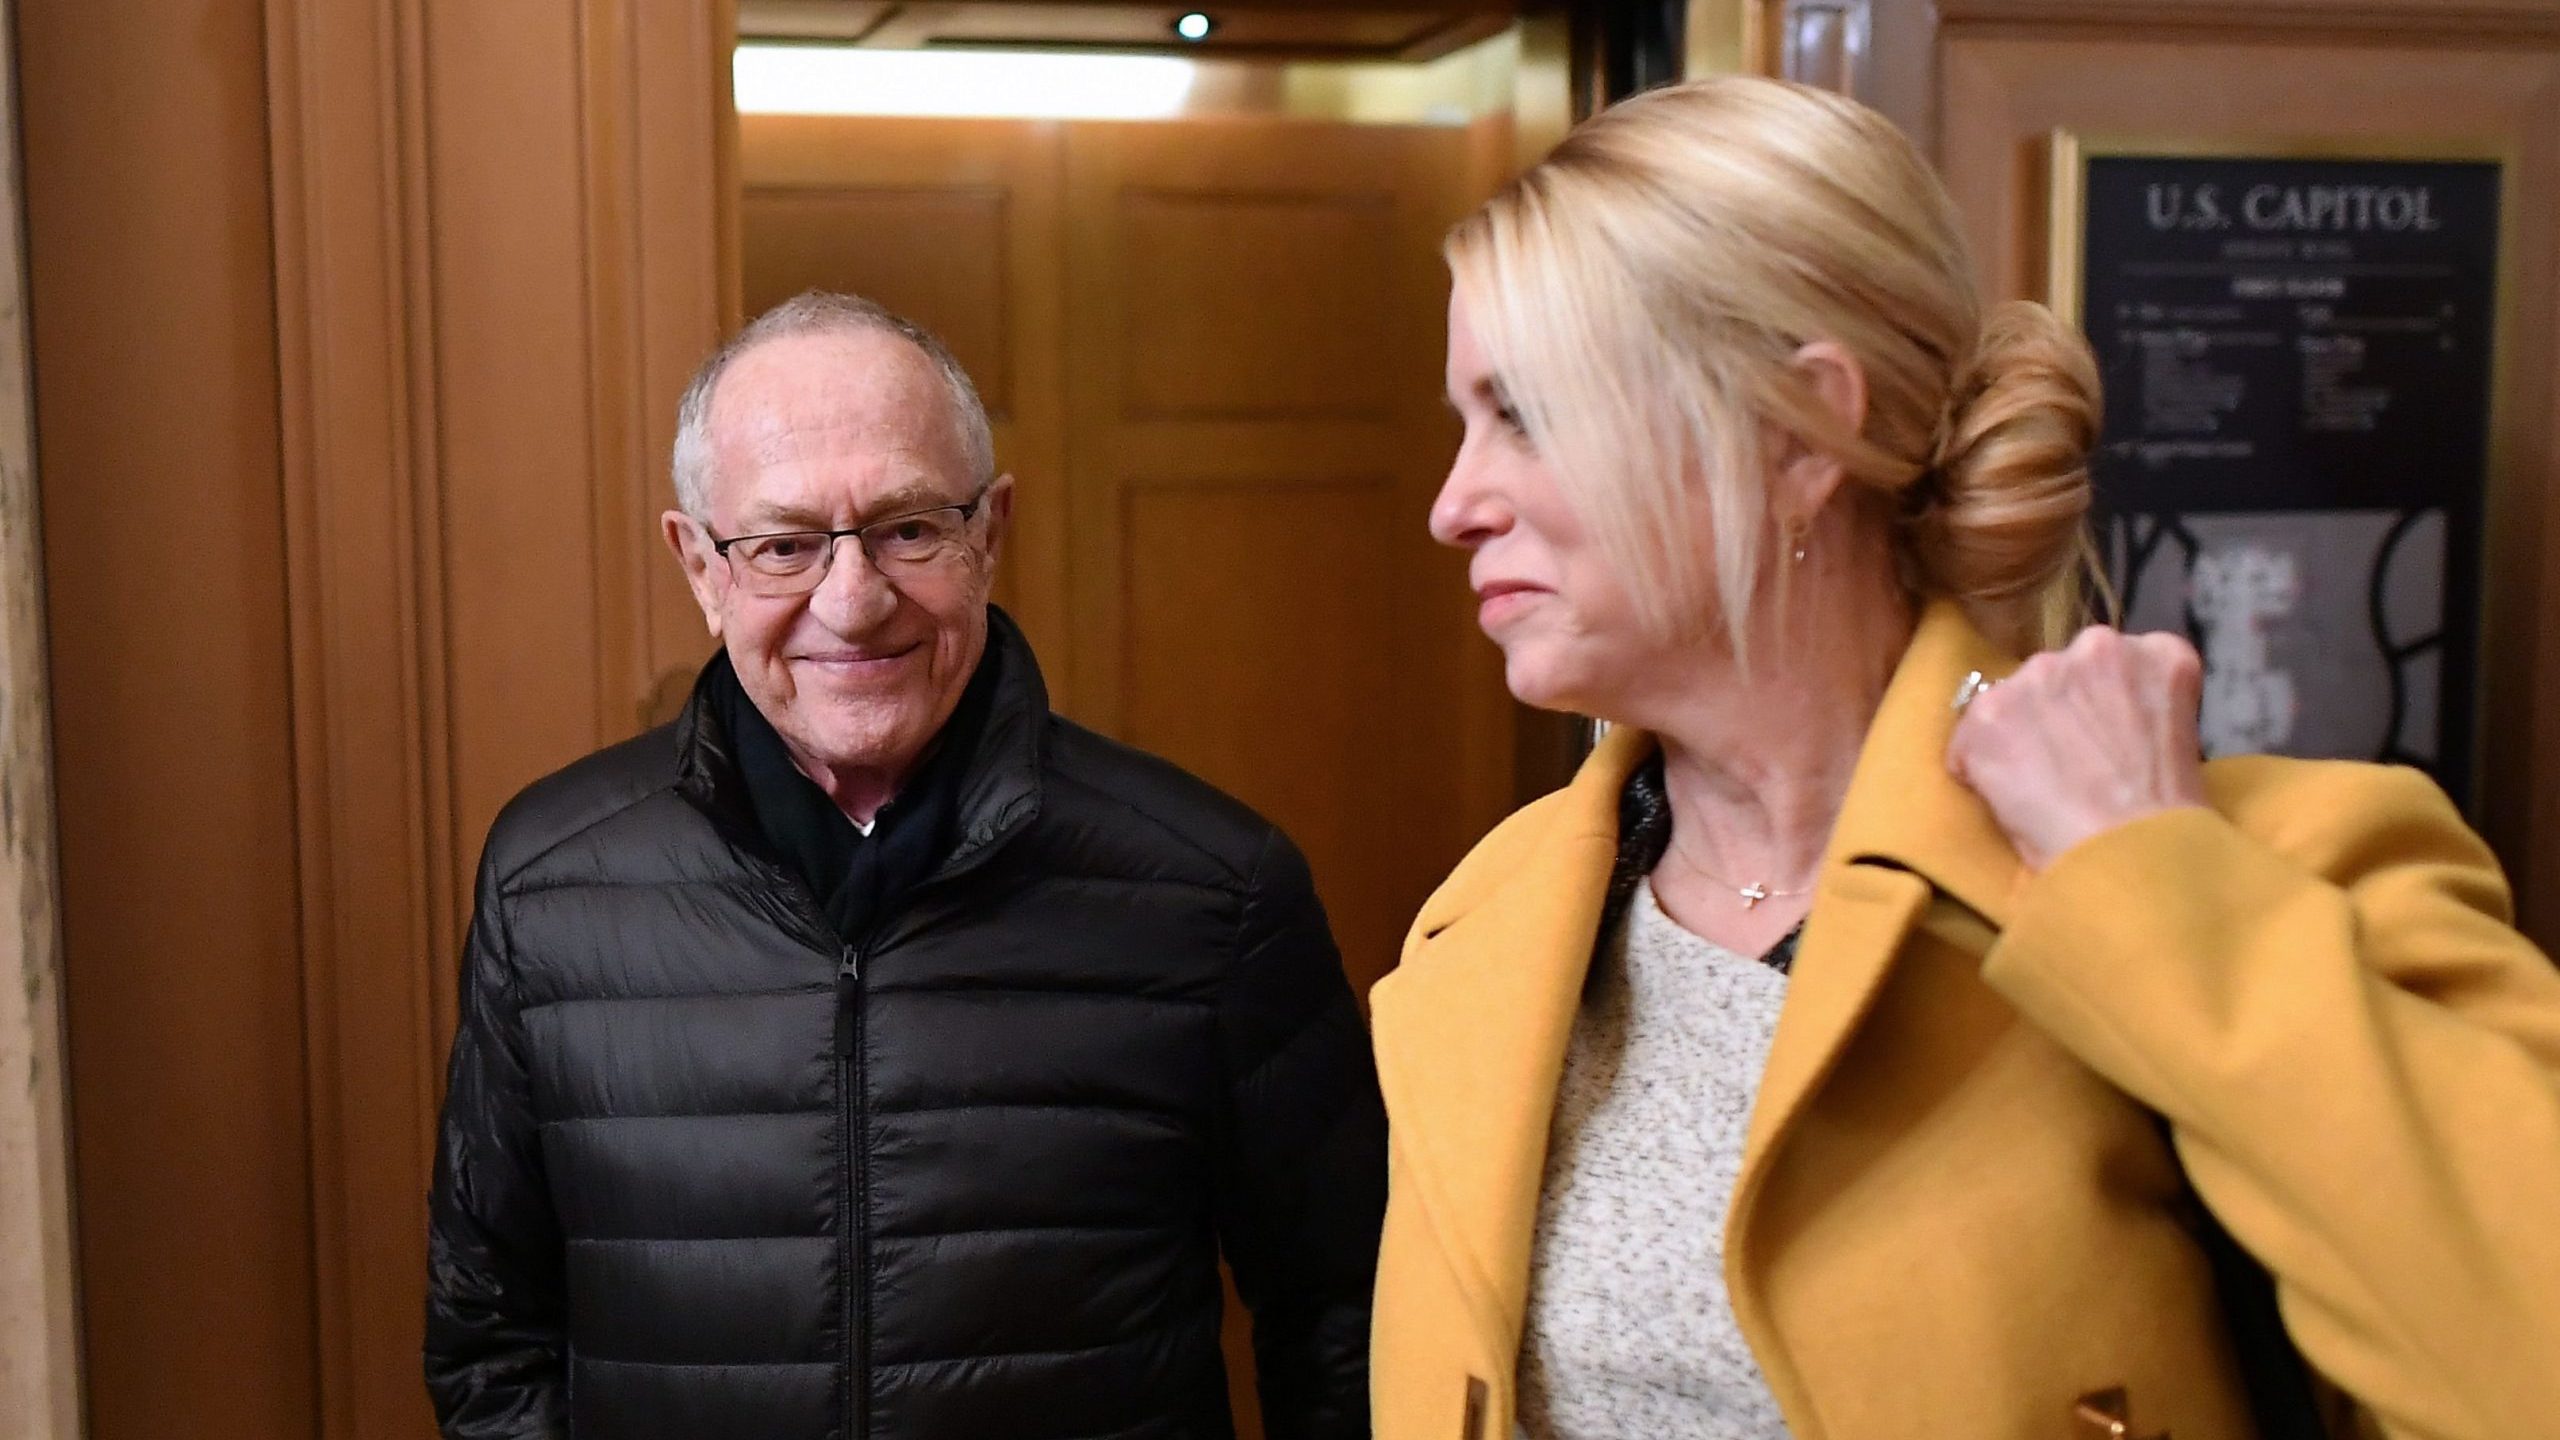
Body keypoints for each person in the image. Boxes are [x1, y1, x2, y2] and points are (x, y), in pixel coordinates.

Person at [1369, 76, 2560, 1440]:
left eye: (1524, 414)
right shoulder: (1494, 924)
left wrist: (2151, 887)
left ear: (1794, 431)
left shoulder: (2267, 869)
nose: (1453, 505)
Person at [425, 291, 1386, 1440]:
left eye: (909, 529)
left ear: (990, 531)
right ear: (699, 565)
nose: (853, 600)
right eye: (783, 545)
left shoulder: (1214, 888)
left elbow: (1349, 1321)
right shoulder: (549, 885)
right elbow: (490, 1336)